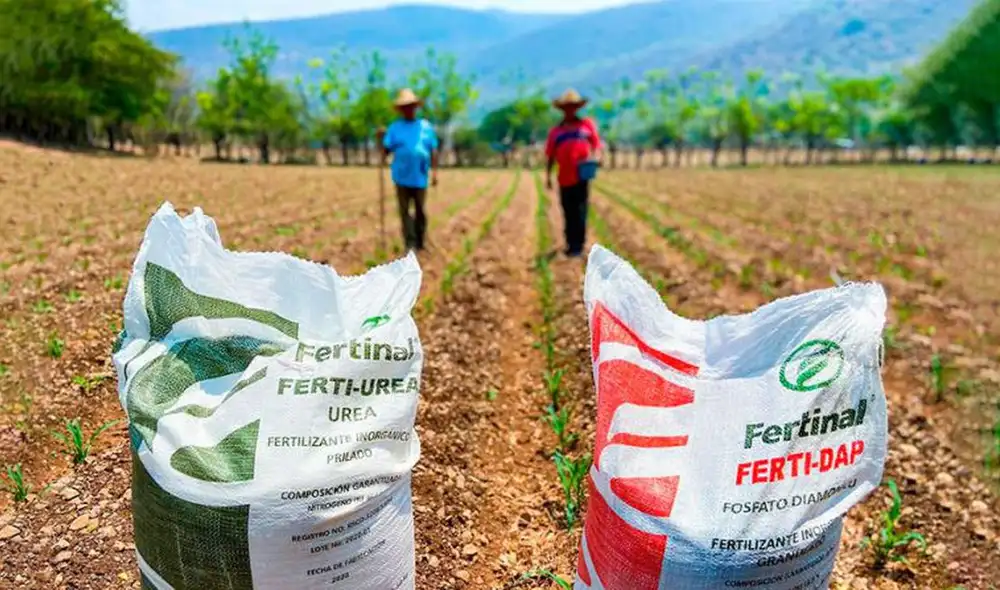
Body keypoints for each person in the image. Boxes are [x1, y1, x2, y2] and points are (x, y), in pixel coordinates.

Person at [378, 88, 439, 252]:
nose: (408, 109)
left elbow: (433, 150)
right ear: (401, 110)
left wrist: (434, 173)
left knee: (420, 210)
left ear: (416, 107)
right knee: (404, 212)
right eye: (405, 107)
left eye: (411, 106)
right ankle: (410, 243)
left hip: (420, 175)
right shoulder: (394, 128)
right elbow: (386, 150)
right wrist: (380, 140)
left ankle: (420, 240)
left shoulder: (425, 127)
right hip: (401, 176)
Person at [546, 89, 602, 258]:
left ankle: (579, 244)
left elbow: (596, 145)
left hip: (582, 175)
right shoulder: (556, 131)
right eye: (567, 107)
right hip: (564, 177)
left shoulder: (586, 126)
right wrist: (547, 176)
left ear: (577, 108)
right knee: (568, 210)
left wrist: (597, 158)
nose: (570, 110)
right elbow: (550, 156)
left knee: (581, 209)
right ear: (562, 109)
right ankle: (570, 244)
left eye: (573, 107)